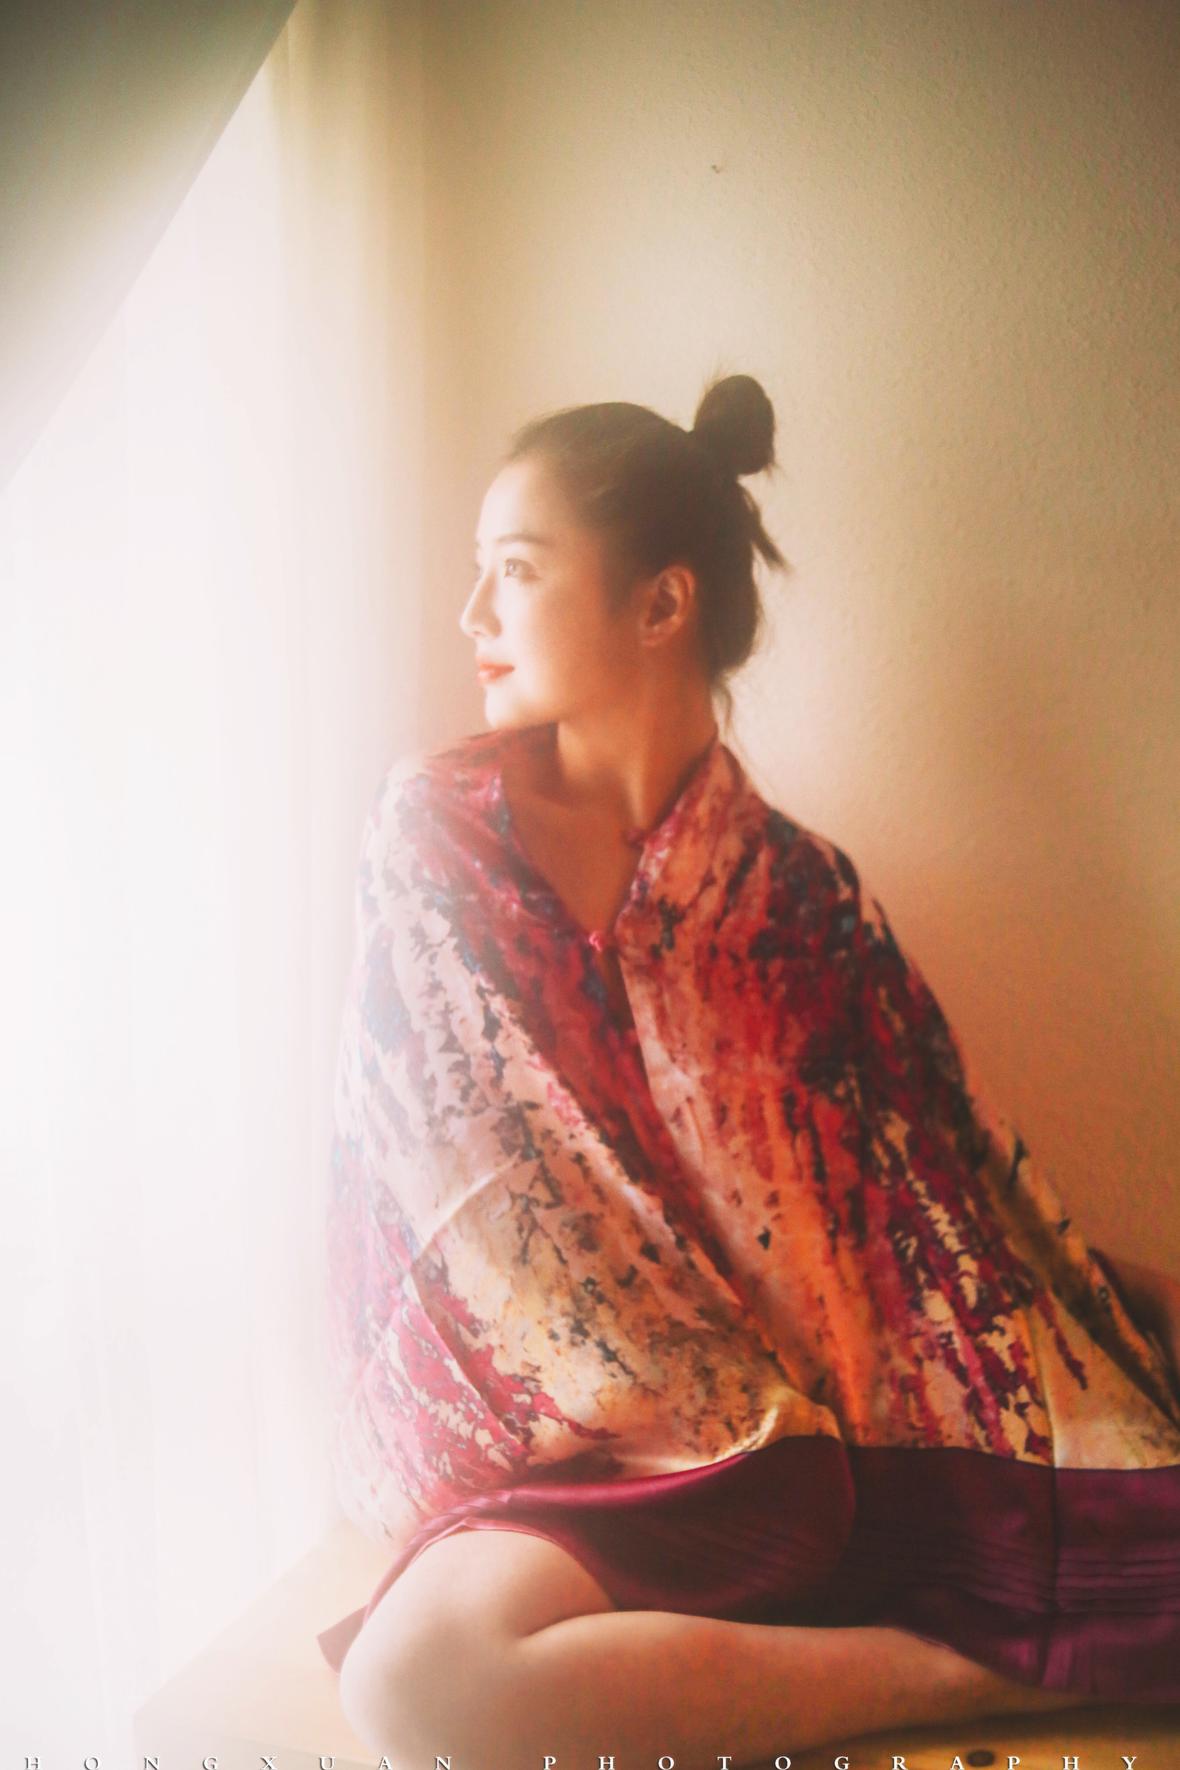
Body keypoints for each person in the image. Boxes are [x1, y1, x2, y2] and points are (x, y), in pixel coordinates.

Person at [317, 374, 1180, 1764]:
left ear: (661, 604)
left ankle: (1004, 1629)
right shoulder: (436, 839)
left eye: (516, 570)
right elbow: (430, 1181)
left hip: (793, 1466)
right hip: (579, 1444)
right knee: (416, 1683)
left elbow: (939, 1196)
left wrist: (1111, 1305)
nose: (473, 613)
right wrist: (650, 1374)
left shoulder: (796, 897)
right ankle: (990, 1668)